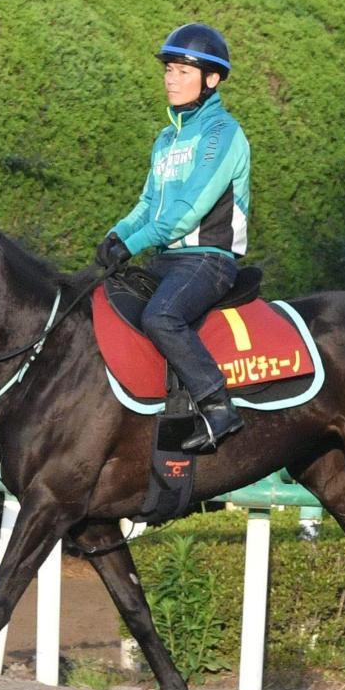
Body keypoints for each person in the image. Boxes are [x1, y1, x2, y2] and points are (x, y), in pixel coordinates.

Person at [96, 23, 251, 452]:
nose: (171, 78)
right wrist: (116, 234)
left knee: (161, 317)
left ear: (212, 79)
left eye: (183, 71)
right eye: (169, 69)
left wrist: (133, 243)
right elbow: (149, 204)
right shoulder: (167, 138)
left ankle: (219, 406)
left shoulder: (223, 134)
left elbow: (184, 215)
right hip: (166, 260)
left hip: (207, 261)